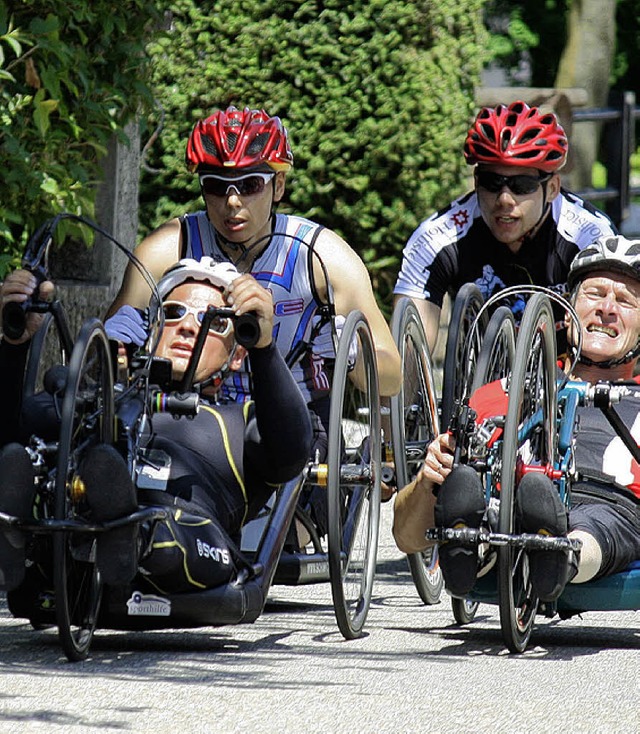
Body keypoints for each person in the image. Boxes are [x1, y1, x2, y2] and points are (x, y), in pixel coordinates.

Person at [0, 258, 313, 593]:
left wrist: (263, 349)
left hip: (190, 544)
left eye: (215, 322)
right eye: (174, 313)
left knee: (167, 530)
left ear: (237, 356)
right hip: (73, 543)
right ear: (151, 331)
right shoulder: (99, 405)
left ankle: (131, 537)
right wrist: (14, 344)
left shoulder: (241, 421)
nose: (189, 327)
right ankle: (16, 535)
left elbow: (291, 454)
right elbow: (11, 430)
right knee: (29, 444)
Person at [392, 234, 640, 602]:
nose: (606, 308)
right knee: (487, 498)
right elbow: (406, 538)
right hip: (510, 498)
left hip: (611, 505)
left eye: (625, 300)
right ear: (568, 307)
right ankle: (473, 546)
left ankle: (559, 555)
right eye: (594, 294)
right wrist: (429, 481)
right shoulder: (507, 390)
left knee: (595, 526)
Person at [107, 105, 401, 412]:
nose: (232, 201)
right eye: (216, 186)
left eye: (249, 185)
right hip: (190, 414)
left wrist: (351, 355)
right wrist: (119, 347)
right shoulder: (165, 249)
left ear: (279, 186)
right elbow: (98, 363)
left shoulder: (323, 257)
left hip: (297, 424)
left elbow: (392, 378)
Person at [394, 100, 618, 350]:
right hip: (477, 381)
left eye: (522, 185)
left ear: (552, 188)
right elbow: (408, 357)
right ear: (477, 181)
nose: (504, 199)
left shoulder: (589, 235)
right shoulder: (436, 238)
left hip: (566, 375)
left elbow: (612, 339)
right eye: (492, 182)